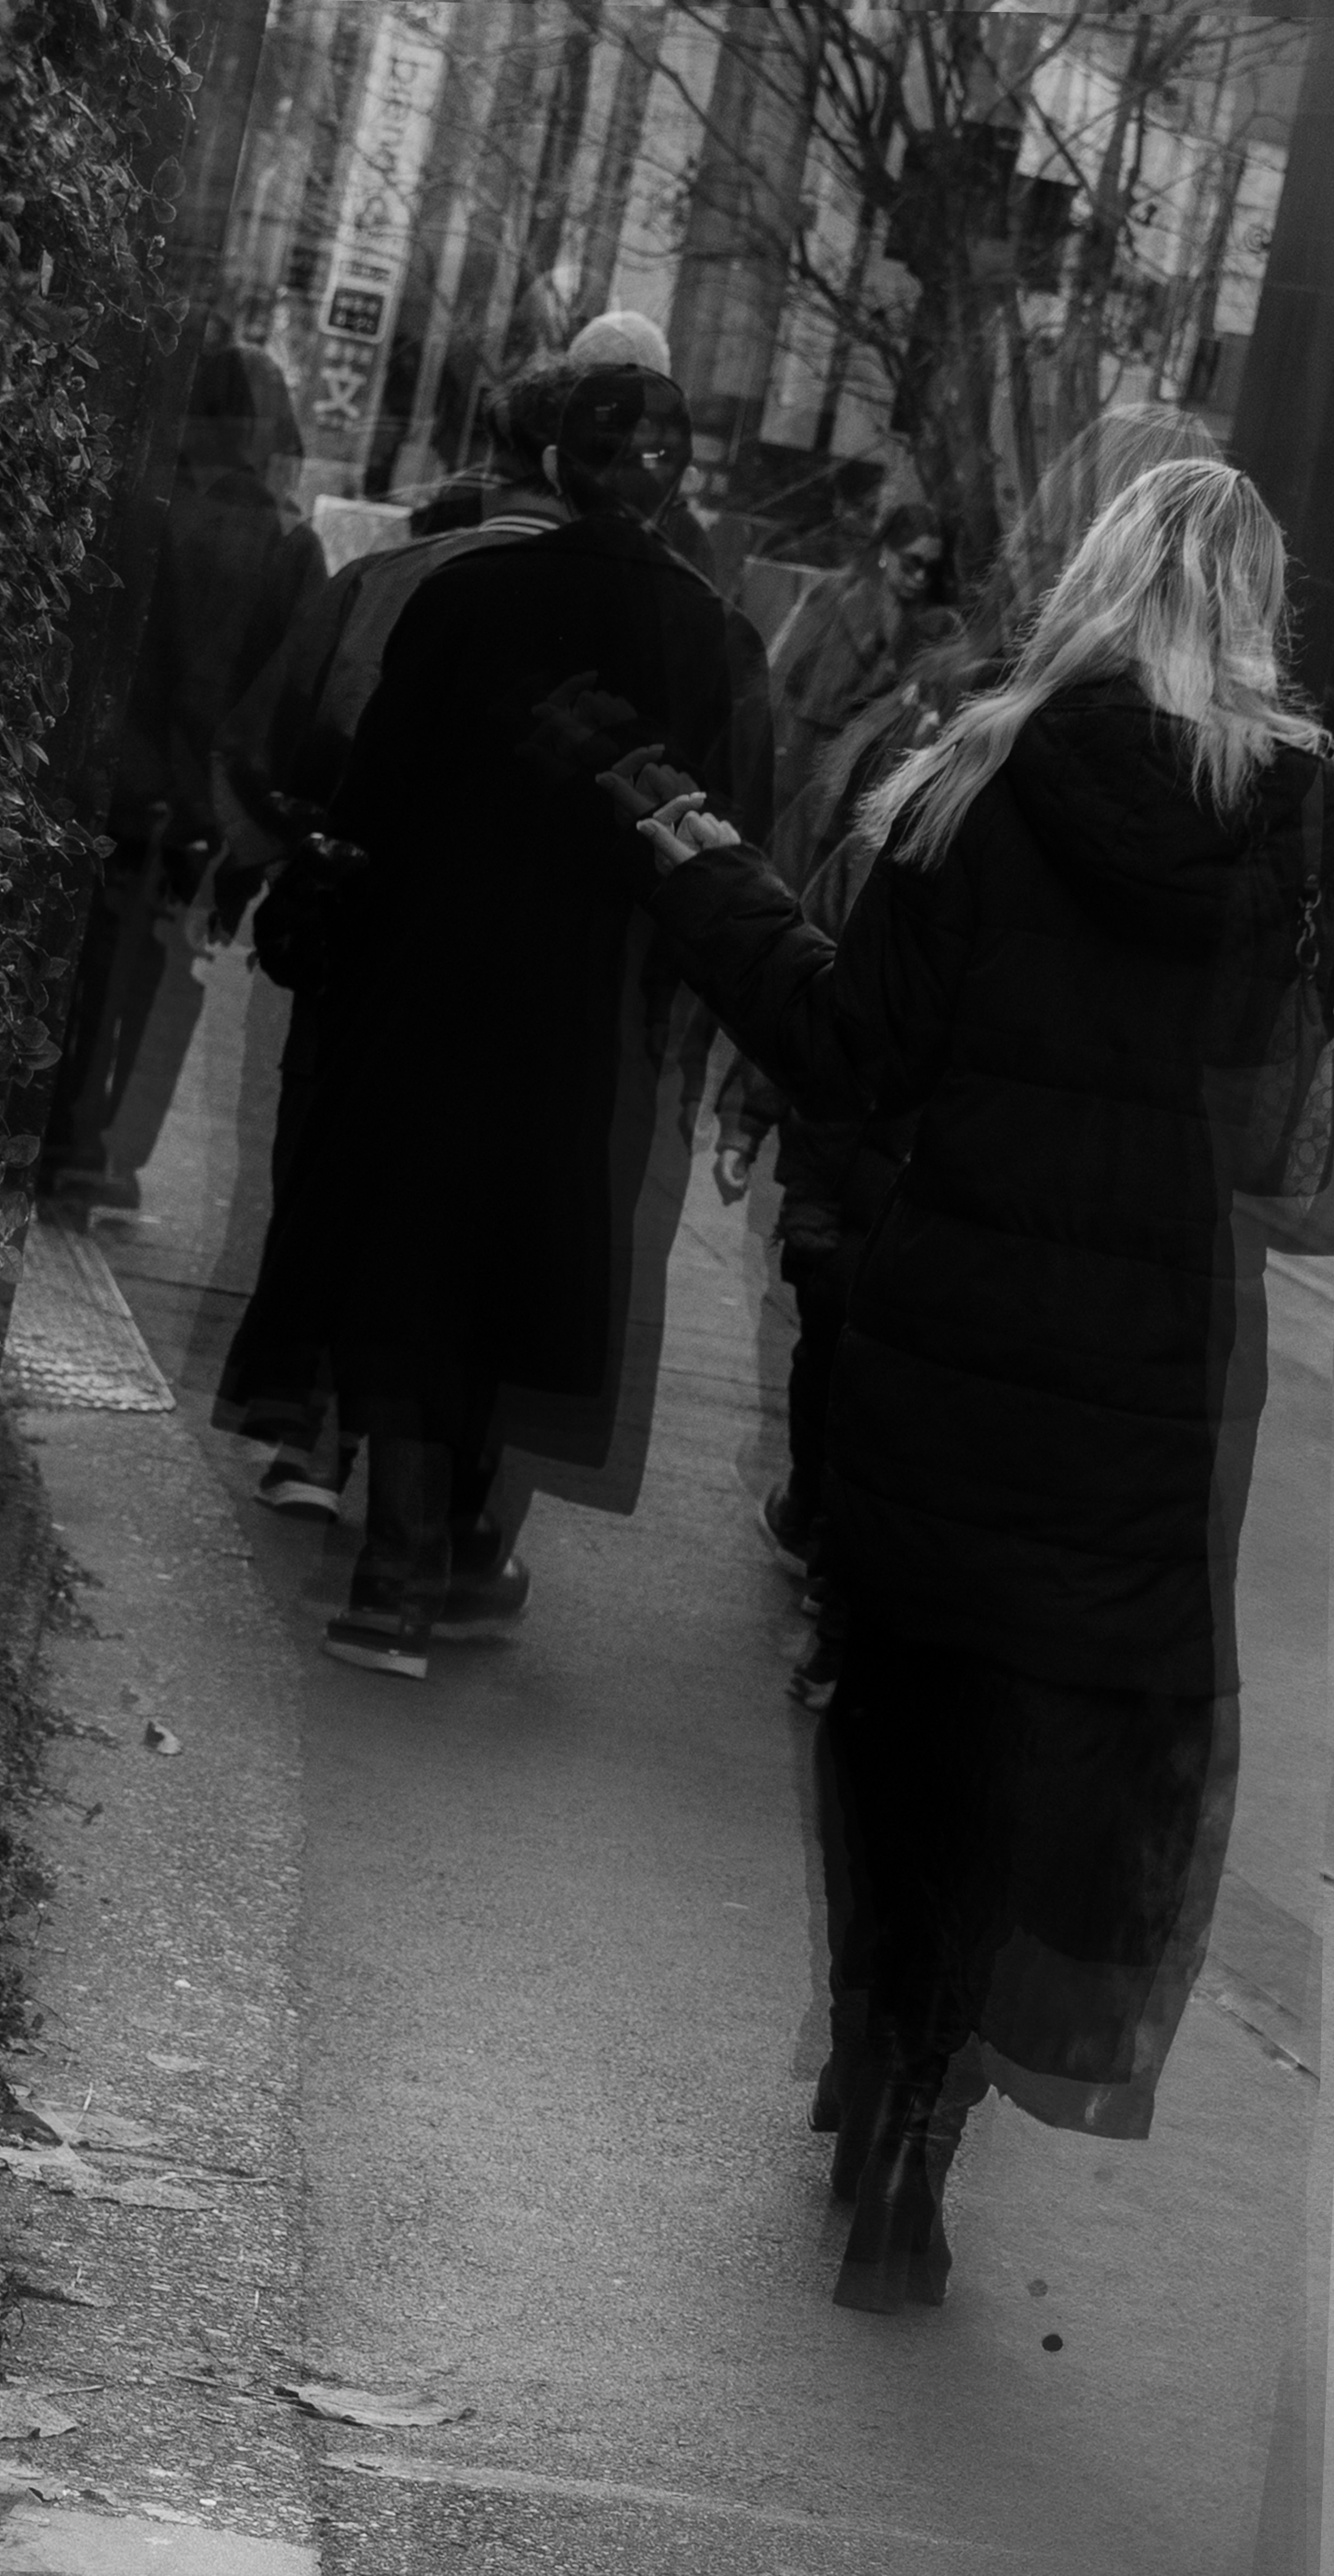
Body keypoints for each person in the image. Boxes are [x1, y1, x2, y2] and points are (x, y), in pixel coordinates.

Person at [599, 458, 1329, 2311]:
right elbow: (1288, 1130)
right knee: (1068, 1731)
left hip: (950, 1322)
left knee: (904, 1711)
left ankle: (880, 2047)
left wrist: (707, 880)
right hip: (1158, 1354)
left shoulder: (977, 780)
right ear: (1250, 608)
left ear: (1092, 576)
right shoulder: (1295, 827)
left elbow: (850, 1054)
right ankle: (934, 2116)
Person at [219, 364, 772, 1678]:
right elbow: (720, 857)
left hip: (429, 980)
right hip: (593, 1014)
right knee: (526, 1271)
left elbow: (374, 797)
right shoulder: (711, 642)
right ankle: (462, 1542)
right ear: (672, 477)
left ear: (553, 461)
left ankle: (396, 1566)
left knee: (412, 1256)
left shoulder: (463, 596)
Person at [752, 405, 1224, 1719]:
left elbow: (863, 997)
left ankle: (854, 1603)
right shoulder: (1261, 810)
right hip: (1132, 1277)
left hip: (936, 1205)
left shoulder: (977, 732)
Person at [208, 348, 594, 1519]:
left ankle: (308, 1432)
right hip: (534, 969)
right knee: (468, 1208)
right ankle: (430, 1501)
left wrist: (266, 858)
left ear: (499, 449)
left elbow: (280, 738)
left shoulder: (396, 578)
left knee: (331, 1160)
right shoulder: (639, 608)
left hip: (366, 930)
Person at [41, 331, 326, 1205]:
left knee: (88, 960)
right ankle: (110, 1149)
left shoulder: (140, 508)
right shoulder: (286, 544)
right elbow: (293, 705)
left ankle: (68, 1136)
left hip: (112, 791)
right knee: (161, 978)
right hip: (210, 816)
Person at [767, 503, 951, 839]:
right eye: (912, 563)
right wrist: (773, 746)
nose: (921, 577)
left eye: (931, 568)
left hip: (867, 780)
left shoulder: (937, 626)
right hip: (805, 766)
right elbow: (783, 672)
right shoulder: (836, 597)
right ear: (886, 550)